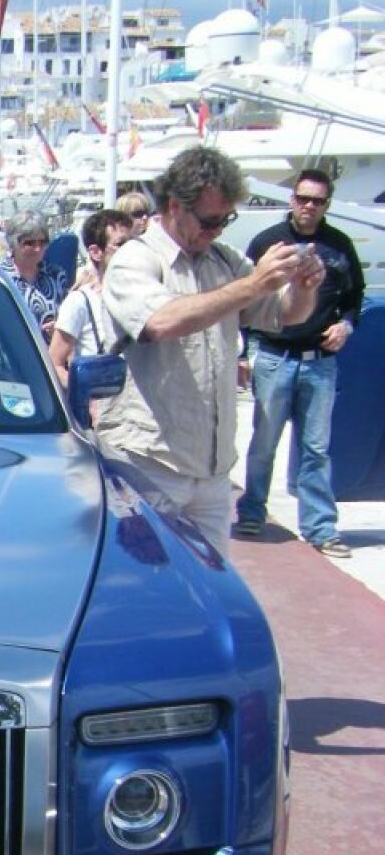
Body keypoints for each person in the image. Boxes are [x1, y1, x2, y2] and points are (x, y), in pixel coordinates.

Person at [99, 144, 323, 559]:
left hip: (211, 467)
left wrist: (304, 288)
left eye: (225, 220)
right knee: (149, 582)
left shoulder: (223, 260)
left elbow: (281, 315)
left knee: (211, 588)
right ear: (173, 206)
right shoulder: (137, 259)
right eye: (208, 220)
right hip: (148, 461)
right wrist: (253, 284)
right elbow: (160, 321)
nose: (216, 230)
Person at [235, 168, 365, 556]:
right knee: (264, 442)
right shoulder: (268, 243)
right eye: (303, 198)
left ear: (327, 205)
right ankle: (253, 512)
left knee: (316, 448)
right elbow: (245, 299)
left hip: (320, 361)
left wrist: (346, 325)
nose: (309, 206)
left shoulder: (340, 246)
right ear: (292, 200)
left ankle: (321, 528)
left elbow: (354, 297)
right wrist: (242, 353)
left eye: (318, 201)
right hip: (275, 356)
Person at [49, 208, 134, 382]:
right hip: (106, 405)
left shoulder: (144, 295)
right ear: (96, 252)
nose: (131, 252)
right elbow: (54, 363)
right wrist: (86, 399)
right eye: (120, 245)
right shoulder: (80, 302)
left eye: (134, 244)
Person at [6, 213, 68, 344]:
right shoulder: (0, 278)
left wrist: (59, 327)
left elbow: (67, 318)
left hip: (49, 356)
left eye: (43, 242)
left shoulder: (56, 275)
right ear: (13, 244)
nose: (38, 249)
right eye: (29, 243)